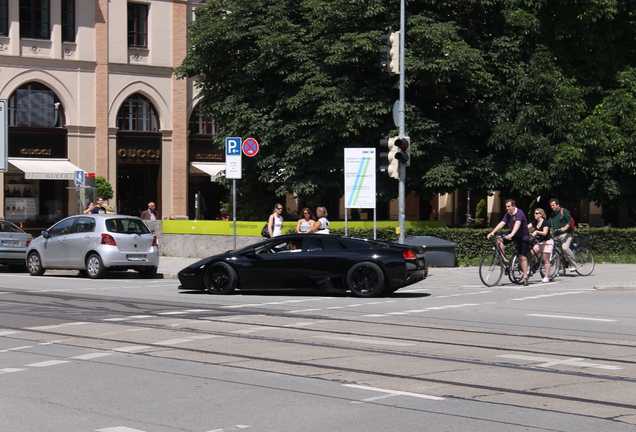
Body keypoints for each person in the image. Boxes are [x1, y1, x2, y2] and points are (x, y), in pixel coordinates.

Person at [487, 199, 531, 286]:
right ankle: (504, 259)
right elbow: (502, 224)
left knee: (522, 257)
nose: (507, 208)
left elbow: (517, 224)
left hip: (522, 236)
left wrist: (512, 234)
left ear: (514, 206)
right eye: (506, 207)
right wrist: (492, 232)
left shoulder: (519, 213)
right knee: (498, 238)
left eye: (509, 206)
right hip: (513, 234)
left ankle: (525, 277)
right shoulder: (508, 214)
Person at [548, 198, 577, 272]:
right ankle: (561, 269)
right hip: (556, 235)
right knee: (557, 252)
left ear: (558, 205)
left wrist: (565, 227)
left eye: (553, 205)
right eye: (551, 206)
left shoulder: (564, 211)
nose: (552, 207)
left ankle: (574, 265)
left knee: (565, 248)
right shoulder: (553, 214)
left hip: (566, 234)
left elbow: (569, 221)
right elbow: (548, 223)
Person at [528, 208, 553, 283]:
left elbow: (545, 233)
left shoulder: (545, 222)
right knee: (530, 254)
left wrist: (537, 232)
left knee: (545, 260)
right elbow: (526, 227)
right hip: (540, 242)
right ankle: (532, 267)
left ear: (541, 214)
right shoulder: (535, 222)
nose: (535, 214)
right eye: (534, 213)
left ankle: (546, 277)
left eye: (537, 213)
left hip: (547, 242)